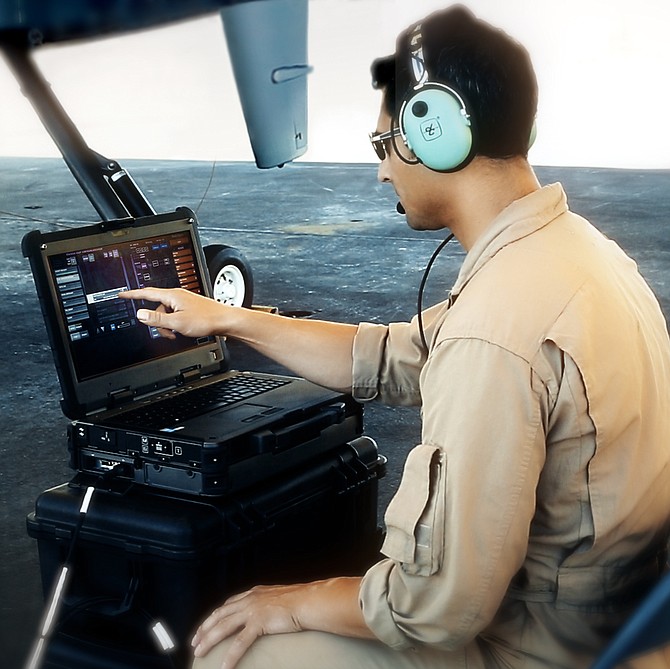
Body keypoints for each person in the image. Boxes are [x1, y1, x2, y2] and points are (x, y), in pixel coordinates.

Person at [120, 5, 670, 668]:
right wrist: (229, 317)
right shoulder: (574, 257)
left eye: (384, 146)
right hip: (617, 625)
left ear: (433, 133)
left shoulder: (500, 328)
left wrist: (293, 600)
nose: (381, 171)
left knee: (236, 649)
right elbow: (392, 355)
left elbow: (435, 608)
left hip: (538, 651)